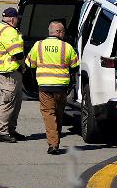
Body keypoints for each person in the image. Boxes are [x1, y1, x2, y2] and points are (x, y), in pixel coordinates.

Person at [25, 21, 79, 154]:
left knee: (48, 114)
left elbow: (30, 64)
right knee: (59, 113)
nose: (64, 34)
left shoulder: (39, 45)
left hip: (45, 86)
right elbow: (75, 67)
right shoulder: (67, 47)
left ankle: (53, 144)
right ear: (59, 32)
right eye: (63, 32)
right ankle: (56, 139)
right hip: (61, 87)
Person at [0, 7, 26, 143]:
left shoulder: (1, 27)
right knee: (9, 102)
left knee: (15, 102)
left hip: (8, 71)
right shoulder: (9, 31)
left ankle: (10, 130)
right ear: (12, 19)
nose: (18, 21)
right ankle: (2, 132)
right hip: (7, 73)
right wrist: (24, 65)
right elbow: (17, 54)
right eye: (17, 18)